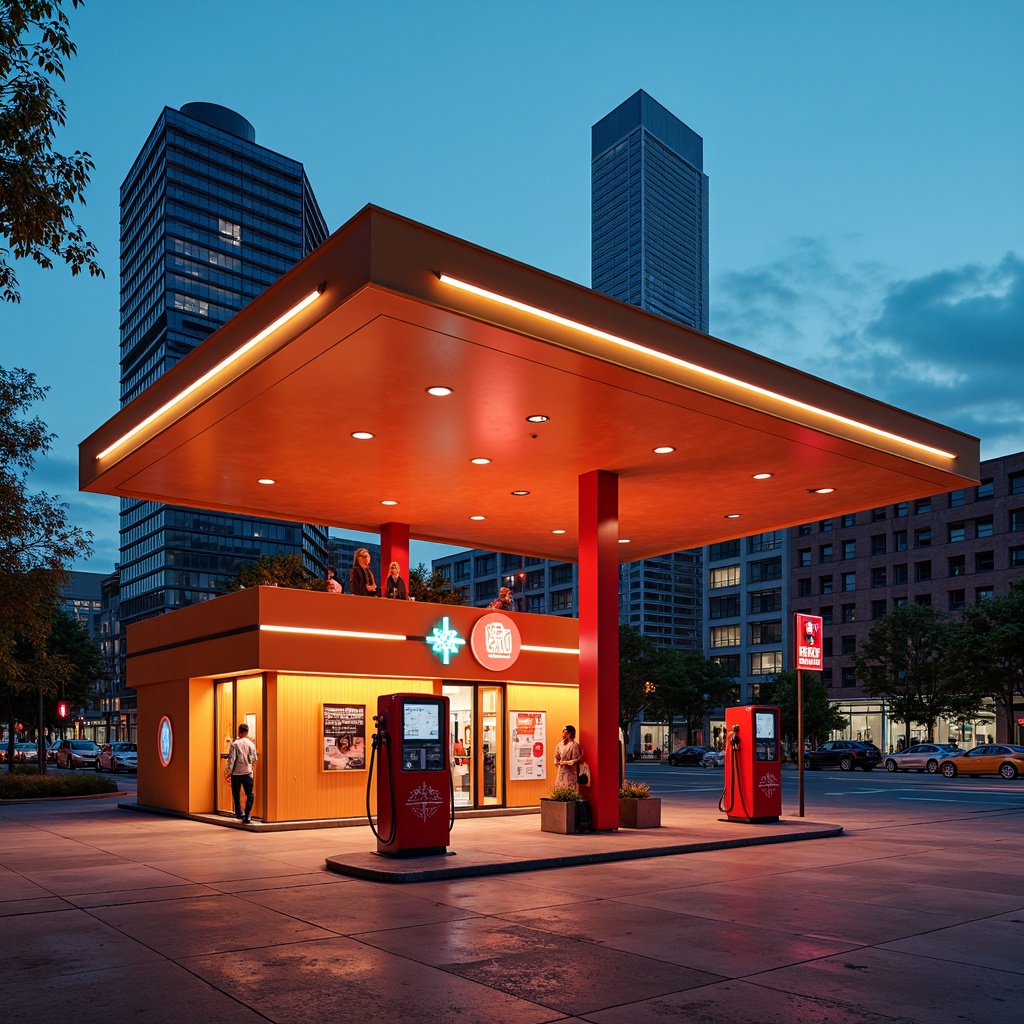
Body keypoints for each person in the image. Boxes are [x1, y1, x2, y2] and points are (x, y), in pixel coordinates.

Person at [226, 723, 258, 823]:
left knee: (236, 793)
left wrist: (228, 771)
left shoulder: (235, 744)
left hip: (236, 773)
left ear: (240, 732)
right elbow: (254, 758)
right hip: (248, 772)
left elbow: (232, 759)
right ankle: (247, 814)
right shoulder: (251, 744)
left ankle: (239, 813)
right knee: (250, 794)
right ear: (247, 732)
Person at [554, 724, 582, 790]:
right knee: (560, 789)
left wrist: (565, 762)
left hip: (570, 772)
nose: (563, 734)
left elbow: (576, 759)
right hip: (561, 771)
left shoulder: (574, 745)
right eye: (563, 732)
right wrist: (556, 761)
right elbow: (556, 756)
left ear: (570, 734)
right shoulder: (560, 745)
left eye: (565, 733)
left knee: (569, 790)